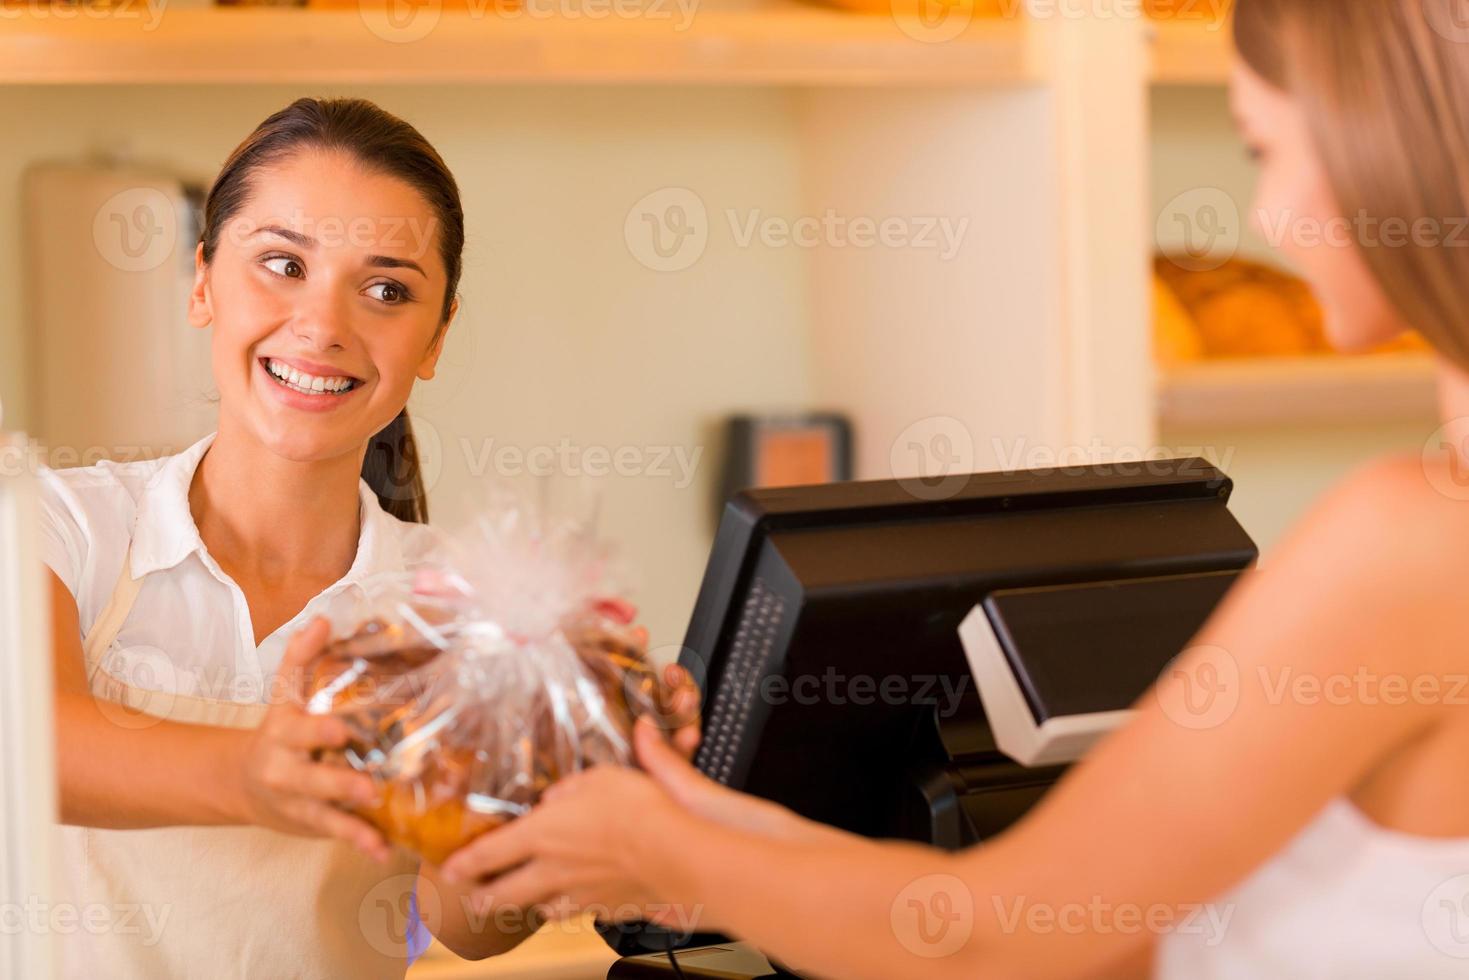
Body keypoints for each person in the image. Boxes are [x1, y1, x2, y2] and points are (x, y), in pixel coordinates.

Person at [434, 4, 1469, 977]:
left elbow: (985, 938)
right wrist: (691, 835)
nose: (1262, 213)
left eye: (1264, 146)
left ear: (1381, 140)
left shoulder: (1407, 540)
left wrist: (680, 858)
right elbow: (1068, 923)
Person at [40, 97, 699, 978]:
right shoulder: (58, 524)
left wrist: (565, 810)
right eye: (282, 263)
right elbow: (39, 748)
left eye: (386, 288)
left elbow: (463, 921)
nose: (324, 325)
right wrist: (260, 775)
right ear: (200, 282)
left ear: (436, 337)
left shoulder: (452, 607)